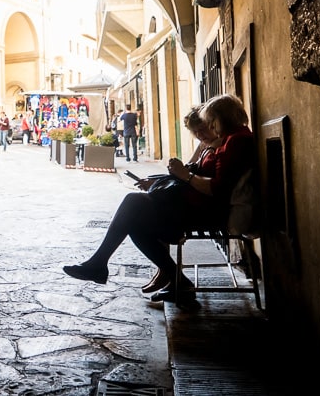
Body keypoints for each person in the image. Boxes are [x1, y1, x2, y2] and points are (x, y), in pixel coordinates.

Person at [62, 94, 256, 304]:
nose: (209, 126)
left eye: (211, 121)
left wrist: (186, 175)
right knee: (134, 217)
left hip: (208, 210)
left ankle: (102, 264)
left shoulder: (236, 142)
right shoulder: (229, 140)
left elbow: (218, 189)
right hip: (194, 204)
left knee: (133, 204)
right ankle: (172, 279)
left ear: (222, 118)